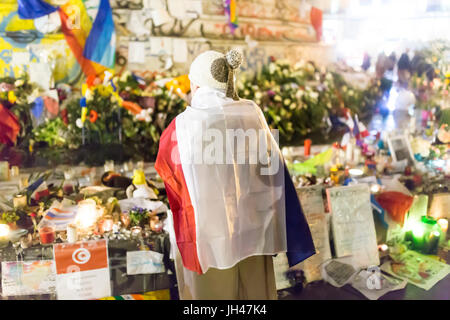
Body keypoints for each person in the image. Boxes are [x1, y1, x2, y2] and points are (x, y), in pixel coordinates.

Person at [155, 50, 315, 300]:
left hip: (210, 241)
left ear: (196, 84)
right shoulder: (252, 114)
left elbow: (167, 170)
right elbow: (272, 172)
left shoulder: (183, 127)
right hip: (254, 233)